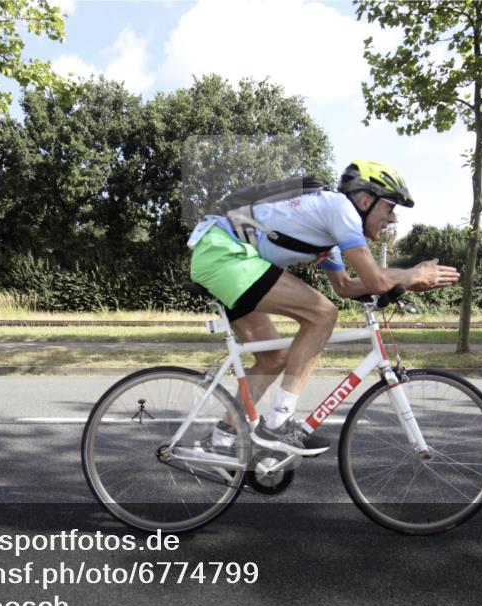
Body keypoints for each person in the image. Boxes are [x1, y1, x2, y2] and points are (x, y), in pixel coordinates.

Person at [188, 160, 461, 454]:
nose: (393, 219)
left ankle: (220, 440)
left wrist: (403, 282)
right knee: (323, 314)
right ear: (366, 200)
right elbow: (376, 278)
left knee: (272, 359)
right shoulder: (340, 210)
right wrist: (412, 274)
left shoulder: (329, 233)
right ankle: (278, 424)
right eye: (390, 208)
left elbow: (345, 286)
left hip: (222, 257)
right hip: (227, 256)